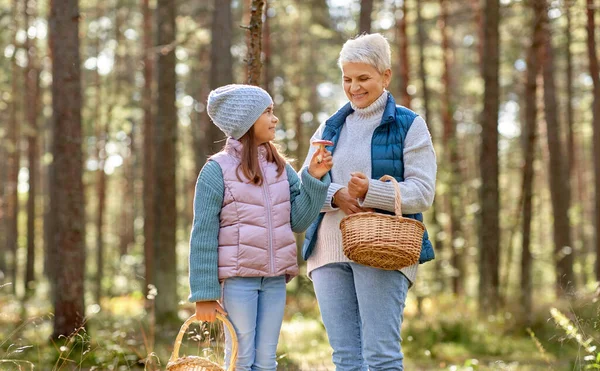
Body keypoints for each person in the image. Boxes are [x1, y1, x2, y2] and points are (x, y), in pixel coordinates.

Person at [301, 33, 437, 370]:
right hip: (328, 249)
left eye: (364, 78)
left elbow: (423, 192)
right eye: (347, 79)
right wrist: (337, 195)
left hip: (384, 249)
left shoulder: (409, 125)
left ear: (386, 75)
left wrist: (370, 192)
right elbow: (305, 187)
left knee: (380, 356)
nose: (354, 87)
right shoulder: (330, 126)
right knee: (346, 357)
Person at [188, 84, 333, 371]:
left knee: (266, 359)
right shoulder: (217, 170)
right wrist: (205, 294)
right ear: (246, 120)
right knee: (240, 358)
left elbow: (298, 221)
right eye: (267, 112)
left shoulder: (281, 168)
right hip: (238, 281)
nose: (274, 118)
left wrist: (314, 179)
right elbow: (203, 234)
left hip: (275, 279)